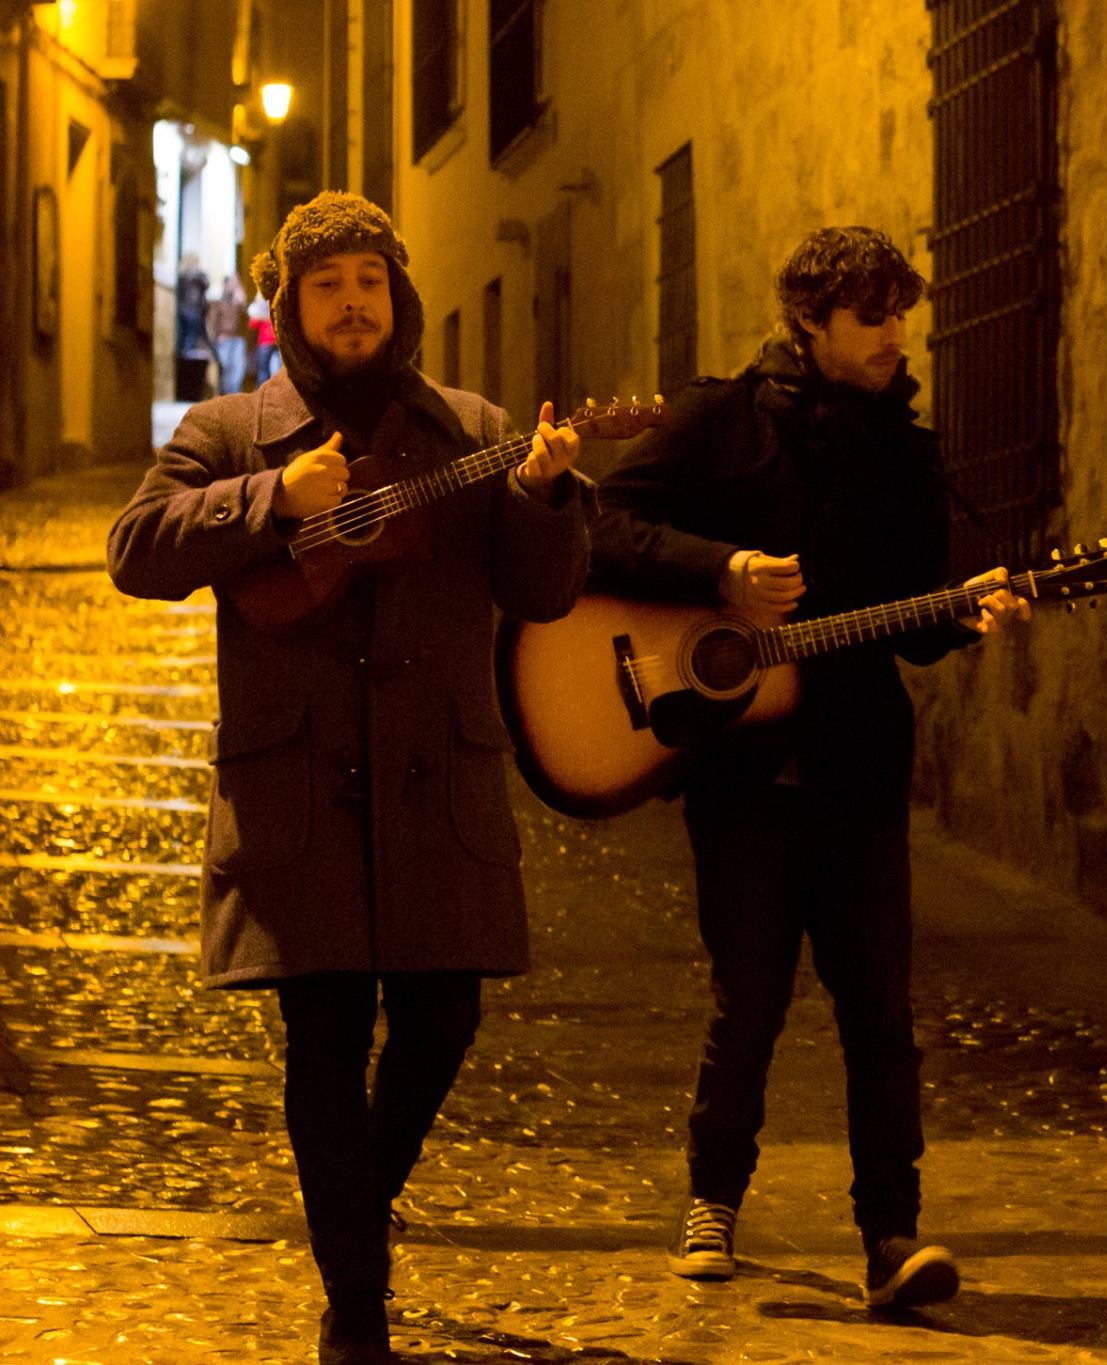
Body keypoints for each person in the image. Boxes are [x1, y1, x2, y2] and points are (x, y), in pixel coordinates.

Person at [108, 191, 590, 1365]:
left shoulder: (470, 428)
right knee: (322, 1040)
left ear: (400, 296)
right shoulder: (230, 432)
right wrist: (271, 499)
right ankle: (357, 1310)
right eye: (326, 286)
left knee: (444, 1020)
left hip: (437, 784)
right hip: (302, 790)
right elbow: (135, 551)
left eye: (370, 281)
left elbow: (542, 591)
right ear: (289, 308)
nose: (353, 303)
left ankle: (352, 1220)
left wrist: (540, 496)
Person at [590, 226, 1027, 1310]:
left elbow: (916, 624)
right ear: (809, 321)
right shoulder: (719, 420)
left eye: (901, 315)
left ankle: (892, 1236)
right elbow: (603, 525)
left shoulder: (905, 453)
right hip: (742, 768)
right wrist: (721, 571)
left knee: (880, 1011)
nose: (894, 336)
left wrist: (966, 614)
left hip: (858, 762)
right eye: (871, 317)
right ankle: (712, 1200)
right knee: (748, 998)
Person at [209, 271, 251, 396]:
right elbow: (212, 321)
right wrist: (215, 338)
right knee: (225, 368)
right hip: (224, 339)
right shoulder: (218, 302)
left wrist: (242, 302)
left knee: (238, 369)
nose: (234, 285)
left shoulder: (239, 303)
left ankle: (233, 396)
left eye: (236, 283)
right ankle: (225, 395)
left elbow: (247, 321)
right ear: (226, 285)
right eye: (232, 282)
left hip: (238, 340)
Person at [250, 291, 281, 384]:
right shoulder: (280, 304)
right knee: (277, 370)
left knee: (263, 370)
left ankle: (264, 389)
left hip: (266, 341)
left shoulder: (261, 307)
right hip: (279, 341)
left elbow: (253, 324)